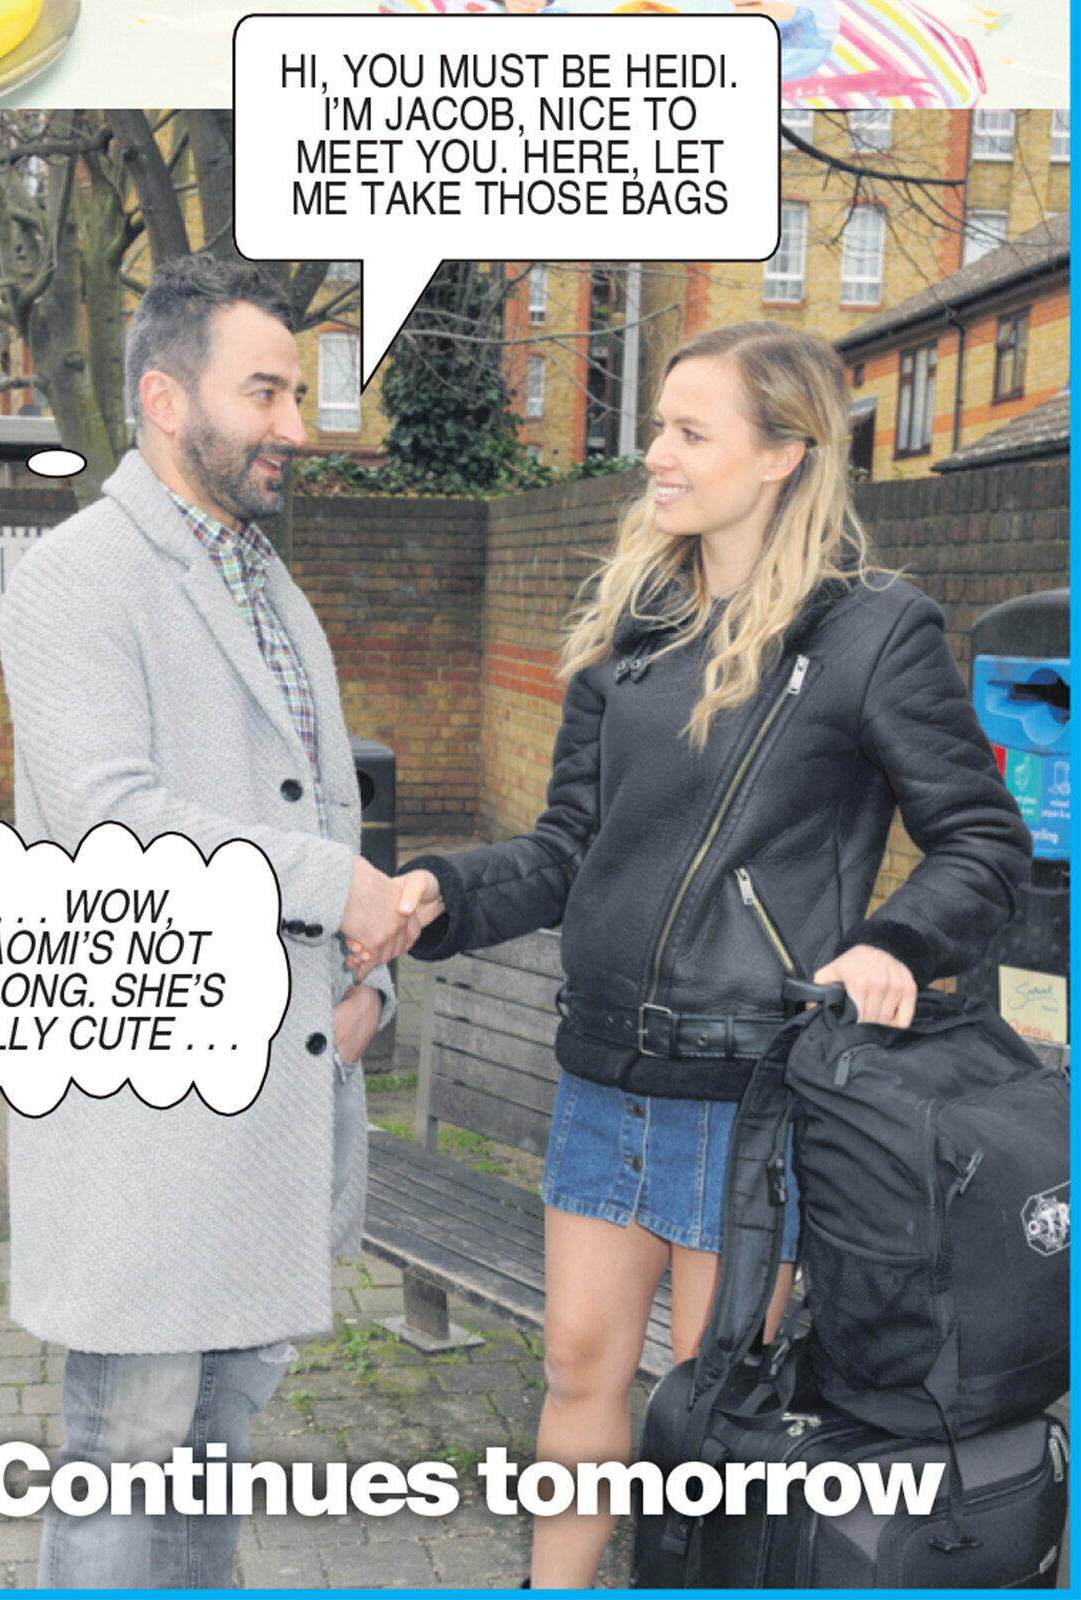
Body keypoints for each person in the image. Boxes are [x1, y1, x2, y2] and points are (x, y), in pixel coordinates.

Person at [368, 322, 1032, 1588]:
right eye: (656, 429)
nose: (656, 456)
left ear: (781, 452)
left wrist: (893, 941)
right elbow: (567, 846)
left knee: (710, 1408)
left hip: (753, 1096)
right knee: (576, 1364)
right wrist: (440, 890)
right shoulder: (633, 626)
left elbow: (982, 843)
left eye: (688, 431)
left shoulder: (872, 631)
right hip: (603, 1073)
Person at [0, 255, 435, 1589]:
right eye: (264, 392)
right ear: (162, 397)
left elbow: (321, 802)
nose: (295, 423)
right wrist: (329, 889)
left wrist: (367, 984)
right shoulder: (77, 576)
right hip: (153, 1117)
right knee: (128, 1445)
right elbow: (108, 818)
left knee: (216, 1445)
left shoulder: (263, 579)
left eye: (296, 392)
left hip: (271, 1109)